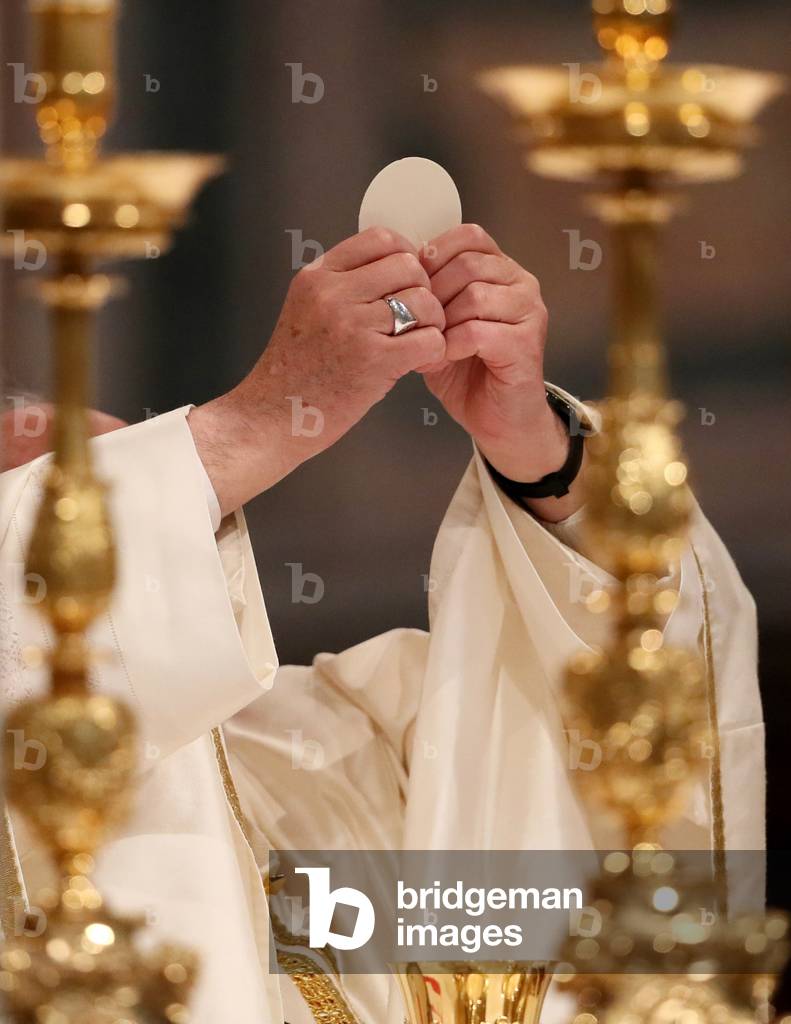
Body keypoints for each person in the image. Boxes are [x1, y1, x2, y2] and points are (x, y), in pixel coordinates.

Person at [0, 225, 764, 1023]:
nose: (154, 502)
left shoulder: (332, 756)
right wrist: (262, 417)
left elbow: (560, 852)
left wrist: (539, 454)